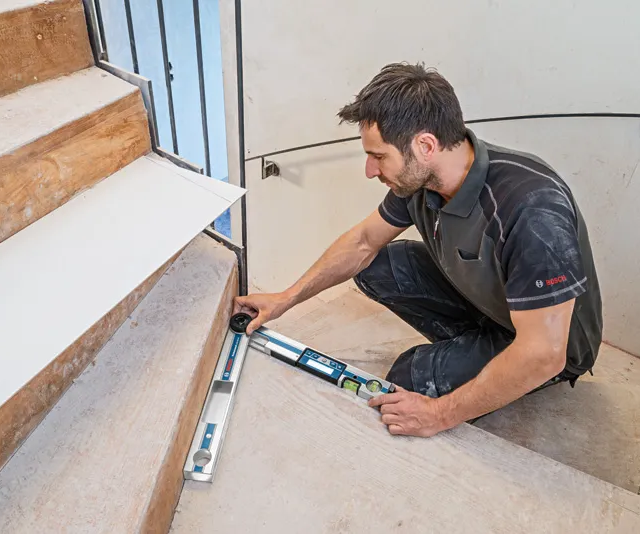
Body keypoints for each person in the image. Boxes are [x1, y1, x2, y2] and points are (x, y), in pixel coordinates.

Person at [234, 63, 602, 438]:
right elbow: (363, 241)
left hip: (549, 344)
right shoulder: (420, 183)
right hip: (492, 305)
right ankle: (474, 347)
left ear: (425, 146)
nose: (369, 170)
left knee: (410, 379)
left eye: (378, 156)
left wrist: (439, 414)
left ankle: (482, 357)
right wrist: (286, 298)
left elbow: (545, 352)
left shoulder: (531, 208)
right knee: (378, 264)